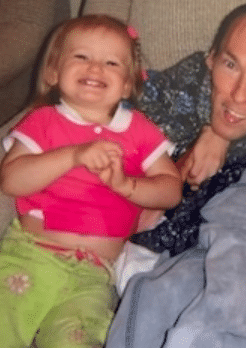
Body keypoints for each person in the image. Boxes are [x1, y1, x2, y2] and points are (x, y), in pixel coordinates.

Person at [106, 3, 246, 348]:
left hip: (234, 240)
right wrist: (200, 142)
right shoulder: (183, 86)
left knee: (229, 272)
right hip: (163, 249)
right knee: (156, 294)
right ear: (210, 59)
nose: (239, 95)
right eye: (231, 65)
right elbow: (104, 116)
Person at [0, 15, 182, 348]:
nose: (95, 68)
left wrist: (127, 186)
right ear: (54, 71)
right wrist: (72, 156)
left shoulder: (138, 129)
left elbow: (171, 190)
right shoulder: (43, 120)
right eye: (81, 57)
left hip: (93, 274)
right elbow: (11, 179)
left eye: (111, 62)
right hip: (31, 255)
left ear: (127, 84)